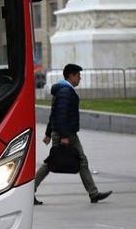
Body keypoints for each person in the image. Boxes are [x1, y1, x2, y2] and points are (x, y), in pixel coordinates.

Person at [34, 64, 113, 205]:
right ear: (70, 76)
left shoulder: (63, 90)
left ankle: (93, 193)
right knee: (52, 163)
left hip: (65, 133)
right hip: (66, 133)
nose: (80, 78)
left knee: (79, 161)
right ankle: (29, 191)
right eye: (78, 76)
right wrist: (63, 136)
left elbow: (54, 113)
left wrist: (48, 133)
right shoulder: (65, 91)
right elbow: (61, 115)